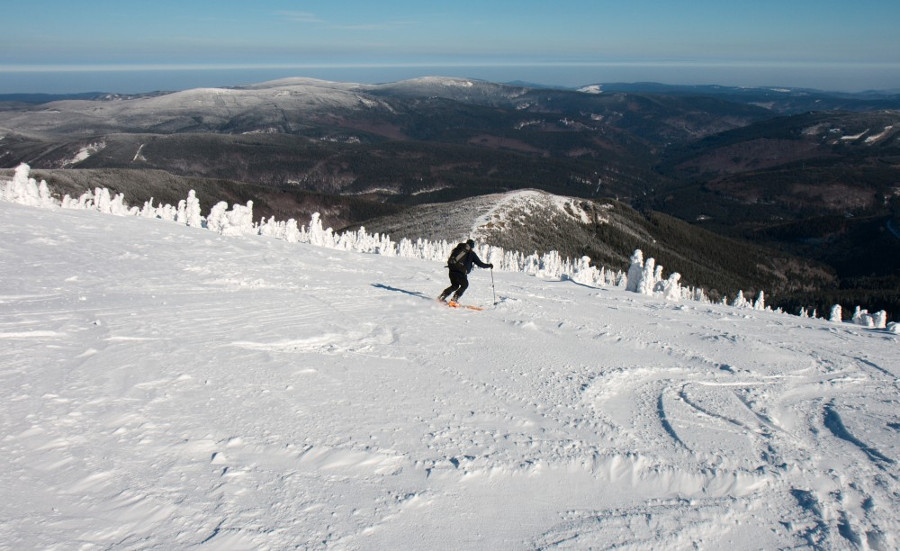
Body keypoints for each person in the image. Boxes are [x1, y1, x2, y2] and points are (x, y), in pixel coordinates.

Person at [438, 239, 493, 303]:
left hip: (451, 271)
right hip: (460, 273)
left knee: (455, 286)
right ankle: (454, 299)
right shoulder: (471, 254)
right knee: (465, 285)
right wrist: (489, 265)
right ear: (472, 246)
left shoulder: (458, 249)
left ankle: (442, 297)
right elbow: (480, 264)